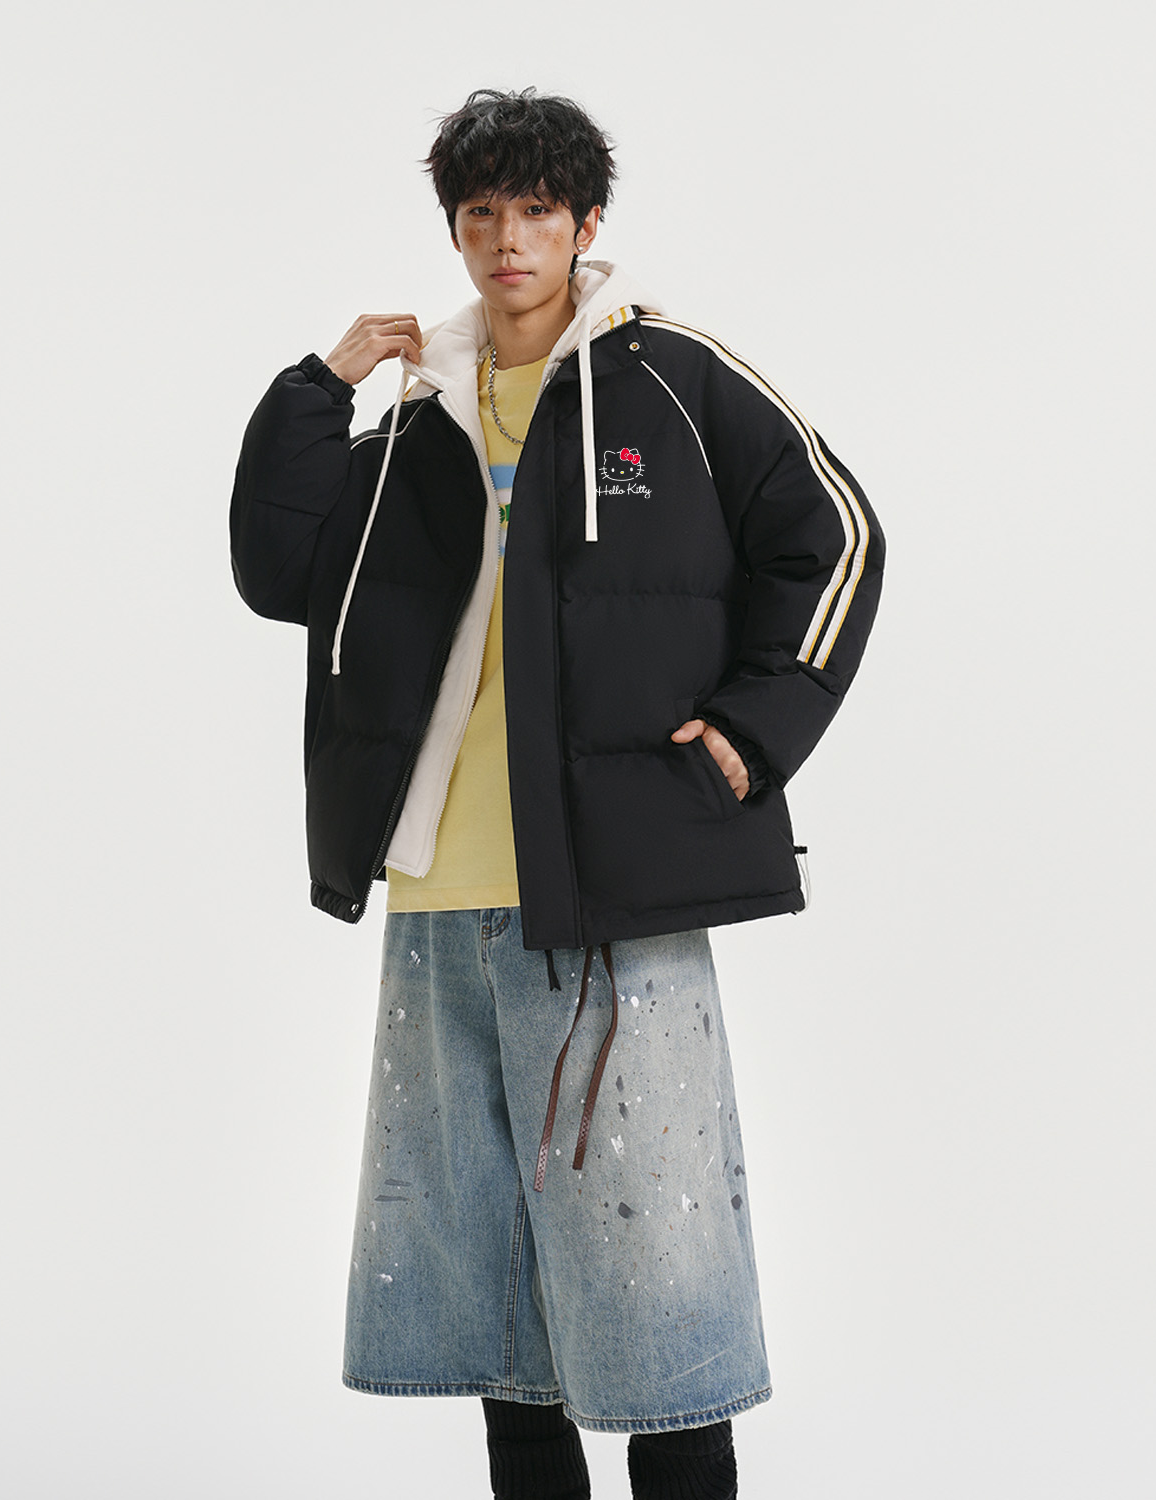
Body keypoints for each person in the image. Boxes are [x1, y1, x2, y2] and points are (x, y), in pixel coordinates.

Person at [229, 87, 883, 1500]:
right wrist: (319, 388)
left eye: (536, 210)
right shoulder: (420, 410)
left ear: (587, 223)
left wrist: (755, 730)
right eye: (480, 214)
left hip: (610, 894)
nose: (507, 239)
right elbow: (279, 575)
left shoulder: (674, 378)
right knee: (494, 1281)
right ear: (456, 232)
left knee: (658, 1277)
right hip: (442, 895)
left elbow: (835, 532)